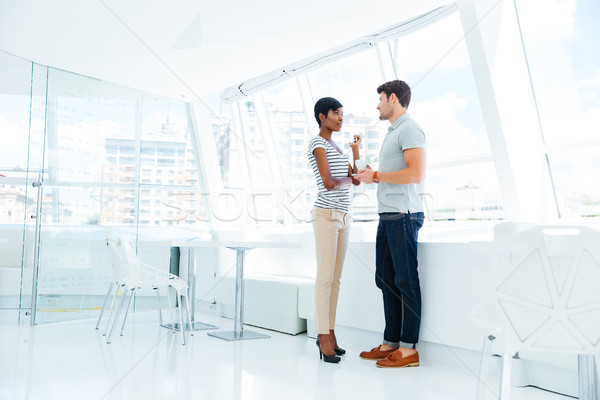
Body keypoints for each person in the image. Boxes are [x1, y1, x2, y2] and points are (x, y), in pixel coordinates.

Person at [355, 80, 426, 368]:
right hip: (388, 215)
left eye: (381, 99)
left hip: (404, 215)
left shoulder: (410, 128)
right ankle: (391, 343)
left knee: (406, 281)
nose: (377, 105)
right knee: (385, 279)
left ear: (393, 98)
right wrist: (372, 174)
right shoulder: (393, 132)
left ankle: (409, 350)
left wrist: (378, 176)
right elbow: (391, 173)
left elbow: (415, 173)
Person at [307, 97, 362, 363]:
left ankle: (330, 331)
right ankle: (322, 336)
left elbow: (357, 180)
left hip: (344, 216)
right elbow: (328, 183)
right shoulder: (318, 144)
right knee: (325, 278)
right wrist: (349, 181)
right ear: (321, 116)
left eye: (342, 113)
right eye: (335, 113)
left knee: (336, 279)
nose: (340, 118)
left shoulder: (337, 147)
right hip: (326, 215)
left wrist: (355, 151)